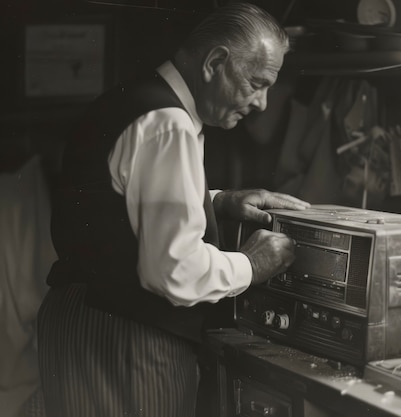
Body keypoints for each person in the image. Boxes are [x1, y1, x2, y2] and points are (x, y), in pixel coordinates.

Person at [37, 3, 309, 417]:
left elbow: (124, 196)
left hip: (79, 322)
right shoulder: (169, 123)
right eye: (257, 83)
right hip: (126, 338)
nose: (262, 104)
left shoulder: (134, 99)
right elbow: (174, 270)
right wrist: (251, 266)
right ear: (215, 62)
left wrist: (217, 201)